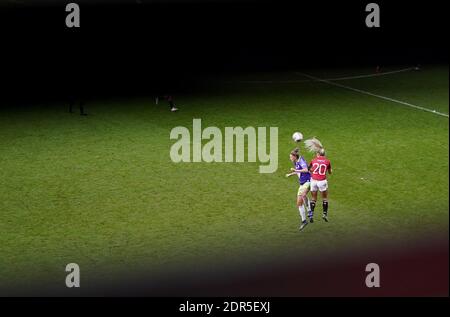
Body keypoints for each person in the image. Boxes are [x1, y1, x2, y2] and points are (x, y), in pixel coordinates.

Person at [286, 148, 311, 231]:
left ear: (294, 156)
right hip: (302, 183)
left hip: (308, 181)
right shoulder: (296, 162)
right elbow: (299, 172)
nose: (290, 158)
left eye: (290, 157)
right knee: (299, 203)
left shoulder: (301, 160)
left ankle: (309, 210)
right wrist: (291, 174)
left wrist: (295, 170)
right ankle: (304, 221)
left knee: (303, 195)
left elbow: (306, 170)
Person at [307, 145, 332, 222]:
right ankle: (324, 214)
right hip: (322, 181)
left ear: (318, 154)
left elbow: (309, 169)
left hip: (314, 181)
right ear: (324, 154)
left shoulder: (313, 160)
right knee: (324, 198)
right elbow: (330, 172)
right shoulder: (327, 161)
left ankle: (311, 215)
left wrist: (313, 171)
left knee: (314, 198)